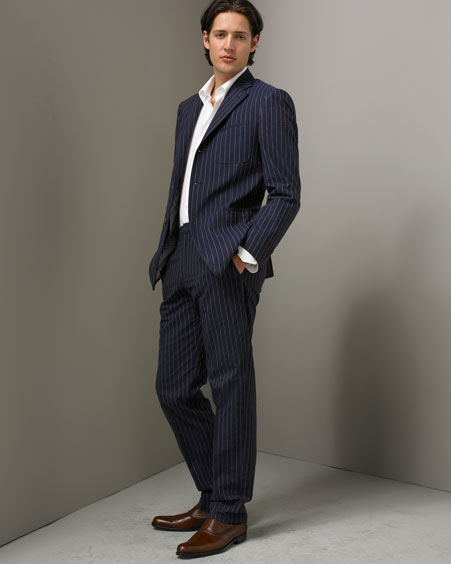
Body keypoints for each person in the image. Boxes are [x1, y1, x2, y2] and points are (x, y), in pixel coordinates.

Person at [148, 0, 301, 558]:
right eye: (220, 34)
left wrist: (245, 253)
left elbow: (286, 193)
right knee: (174, 387)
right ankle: (213, 495)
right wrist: (169, 249)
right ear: (205, 39)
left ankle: (229, 512)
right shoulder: (189, 108)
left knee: (231, 382)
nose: (229, 44)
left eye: (240, 35)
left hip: (228, 258)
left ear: (254, 43)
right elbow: (183, 186)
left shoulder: (268, 102)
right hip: (181, 255)